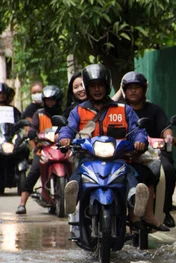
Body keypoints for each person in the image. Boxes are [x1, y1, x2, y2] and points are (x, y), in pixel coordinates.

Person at [57, 63, 151, 225]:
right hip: (88, 157)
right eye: (93, 86)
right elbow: (68, 129)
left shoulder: (124, 109)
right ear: (87, 88)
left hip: (117, 158)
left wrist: (140, 141)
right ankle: (73, 196)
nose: (97, 90)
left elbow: (137, 130)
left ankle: (135, 198)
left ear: (107, 86)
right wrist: (64, 138)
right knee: (78, 173)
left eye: (100, 85)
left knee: (128, 172)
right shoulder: (78, 111)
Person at [120, 71, 176, 228]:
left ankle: (164, 210)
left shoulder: (155, 110)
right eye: (129, 87)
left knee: (167, 170)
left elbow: (166, 128)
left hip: (153, 153)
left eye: (137, 87)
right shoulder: (119, 110)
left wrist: (169, 138)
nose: (133, 91)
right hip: (125, 153)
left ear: (144, 89)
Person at [16, 85, 64, 214]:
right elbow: (33, 127)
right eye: (47, 100)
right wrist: (32, 133)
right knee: (34, 171)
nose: (50, 102)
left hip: (61, 148)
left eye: (52, 100)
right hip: (43, 149)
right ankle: (22, 203)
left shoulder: (64, 113)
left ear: (58, 100)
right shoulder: (39, 114)